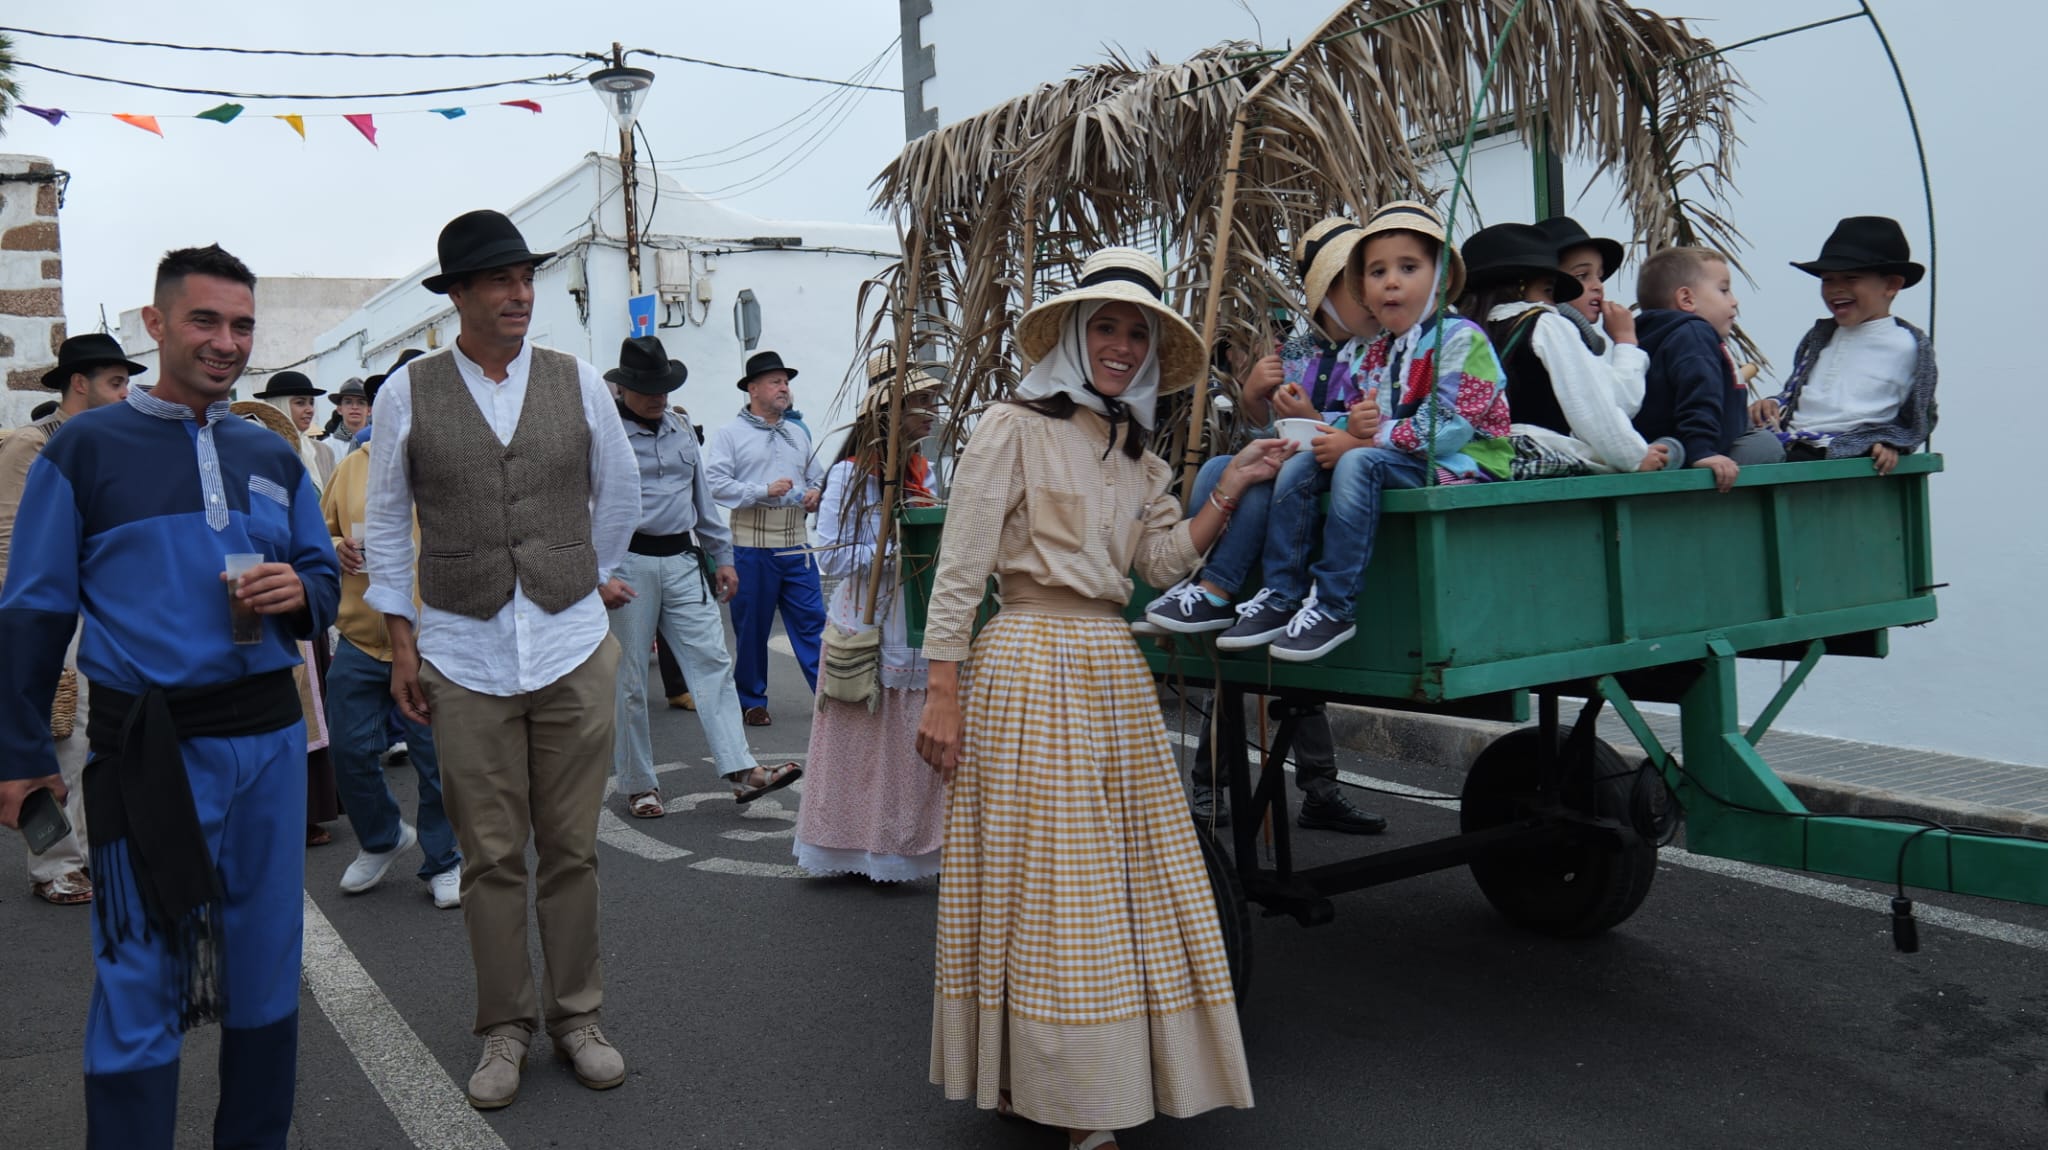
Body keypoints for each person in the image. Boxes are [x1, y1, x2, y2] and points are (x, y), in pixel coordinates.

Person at [917, 247, 1292, 1148]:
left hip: (1111, 669)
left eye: (1137, 333)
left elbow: (1160, 565)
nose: (1122, 346)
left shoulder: (1138, 459)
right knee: (1044, 881)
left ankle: (1072, 1079)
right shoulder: (1011, 426)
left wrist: (1231, 488)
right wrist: (942, 689)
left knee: (1111, 882)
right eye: (1108, 327)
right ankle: (1069, 1095)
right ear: (1077, 337)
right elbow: (963, 564)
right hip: (1028, 662)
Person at [0, 244, 339, 1147]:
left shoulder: (270, 451)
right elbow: (33, 608)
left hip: (267, 745)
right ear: (155, 325)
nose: (226, 342)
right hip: (147, 750)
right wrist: (21, 753)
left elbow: (323, 579)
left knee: (268, 971)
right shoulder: (84, 448)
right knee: (139, 980)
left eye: (241, 325)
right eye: (205, 321)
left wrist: (301, 592)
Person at [364, 209, 640, 1109]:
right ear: (458, 296)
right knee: (489, 858)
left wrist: (584, 577)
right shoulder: (409, 389)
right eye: (500, 281)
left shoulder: (576, 381)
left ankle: (578, 1017)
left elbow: (619, 490)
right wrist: (403, 640)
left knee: (571, 849)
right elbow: (384, 522)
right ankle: (503, 1028)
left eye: (526, 278)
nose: (520, 294)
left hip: (567, 645)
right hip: (461, 650)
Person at [1140, 216, 1388, 834]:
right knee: (1227, 471)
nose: (1367, 292)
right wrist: (1255, 396)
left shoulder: (1382, 348)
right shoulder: (1297, 352)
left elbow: (1355, 430)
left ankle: (1319, 784)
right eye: (1354, 280)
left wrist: (1303, 419)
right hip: (1271, 511)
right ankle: (1212, 782)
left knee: (1290, 658)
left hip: (1309, 512)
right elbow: (1265, 431)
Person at [1215, 200, 1510, 662]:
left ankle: (1335, 606)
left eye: (1408, 268)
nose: (1391, 281)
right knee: (1303, 462)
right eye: (1376, 273)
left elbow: (1447, 428)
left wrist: (1361, 438)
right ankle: (1280, 593)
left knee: (1356, 460)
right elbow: (1350, 413)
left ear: (1439, 278)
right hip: (1401, 459)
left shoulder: (1461, 338)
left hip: (1464, 464)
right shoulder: (1374, 353)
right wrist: (1325, 427)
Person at [603, 334, 795, 818]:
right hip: (627, 562)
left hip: (684, 559)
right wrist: (597, 574)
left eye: (663, 386)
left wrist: (721, 556)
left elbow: (702, 500)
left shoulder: (681, 429)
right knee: (628, 681)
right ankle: (639, 783)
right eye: (647, 387)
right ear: (624, 389)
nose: (657, 396)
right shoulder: (602, 435)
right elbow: (585, 509)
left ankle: (740, 770)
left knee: (712, 663)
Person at [792, 347, 948, 881]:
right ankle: (848, 845)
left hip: (913, 613)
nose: (930, 412)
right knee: (861, 741)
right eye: (920, 402)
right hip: (870, 613)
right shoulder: (849, 476)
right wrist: (900, 547)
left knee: (907, 744)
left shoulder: (920, 471)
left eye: (932, 401)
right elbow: (832, 553)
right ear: (890, 411)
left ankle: (902, 847)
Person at [0, 333, 145, 905]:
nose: (125, 392)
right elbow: (10, 540)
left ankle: (86, 853)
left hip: (101, 611)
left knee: (88, 734)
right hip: (48, 612)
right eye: (115, 381)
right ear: (78, 383)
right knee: (56, 733)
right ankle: (53, 864)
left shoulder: (115, 444)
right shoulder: (32, 443)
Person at [319, 387, 463, 908]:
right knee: (350, 751)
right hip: (361, 635)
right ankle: (382, 837)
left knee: (435, 761)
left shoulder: (451, 459)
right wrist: (335, 546)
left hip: (433, 639)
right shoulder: (353, 464)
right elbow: (322, 525)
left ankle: (444, 859)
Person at [1458, 222, 1680, 478]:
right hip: (1539, 456)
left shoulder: (1466, 333)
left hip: (1489, 462)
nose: (1554, 302)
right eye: (1549, 290)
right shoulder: (1547, 324)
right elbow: (1591, 408)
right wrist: (1635, 457)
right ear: (1521, 286)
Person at [231, 402, 345, 848]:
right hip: (242, 609)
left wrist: (305, 589)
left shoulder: (286, 479)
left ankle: (304, 810)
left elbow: (316, 557)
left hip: (290, 616)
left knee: (302, 710)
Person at [1749, 216, 1937, 475]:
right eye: (1828, 280)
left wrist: (1894, 443)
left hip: (1844, 448)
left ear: (1892, 285)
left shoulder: (1908, 345)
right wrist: (1772, 403)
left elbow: (1920, 415)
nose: (1836, 289)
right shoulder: (1821, 337)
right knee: (1725, 443)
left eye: (1851, 278)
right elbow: (1799, 396)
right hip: (1792, 442)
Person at [704, 350, 827, 727]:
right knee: (752, 628)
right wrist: (763, 490)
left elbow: (818, 476)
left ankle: (828, 700)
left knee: (813, 624)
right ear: (752, 389)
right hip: (752, 549)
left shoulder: (797, 433)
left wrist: (815, 493)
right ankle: (751, 700)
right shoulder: (730, 435)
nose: (783, 388)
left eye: (786, 382)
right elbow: (715, 485)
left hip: (796, 546)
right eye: (775, 381)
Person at [1632, 246, 1784, 493]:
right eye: (1724, 290)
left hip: (1660, 439)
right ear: (1687, 299)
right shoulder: (1696, 334)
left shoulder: (1642, 338)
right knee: (1767, 446)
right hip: (1696, 446)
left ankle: (1674, 453)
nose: (1734, 301)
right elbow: (1700, 394)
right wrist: (1701, 451)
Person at [252, 370, 336, 492]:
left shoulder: (323, 452)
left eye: (311, 402)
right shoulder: (260, 449)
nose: (310, 410)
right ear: (279, 405)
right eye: (300, 403)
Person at [329, 376, 372, 444]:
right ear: (339, 409)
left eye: (361, 402)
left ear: (369, 410)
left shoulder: (379, 442)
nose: (354, 407)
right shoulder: (328, 446)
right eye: (348, 402)